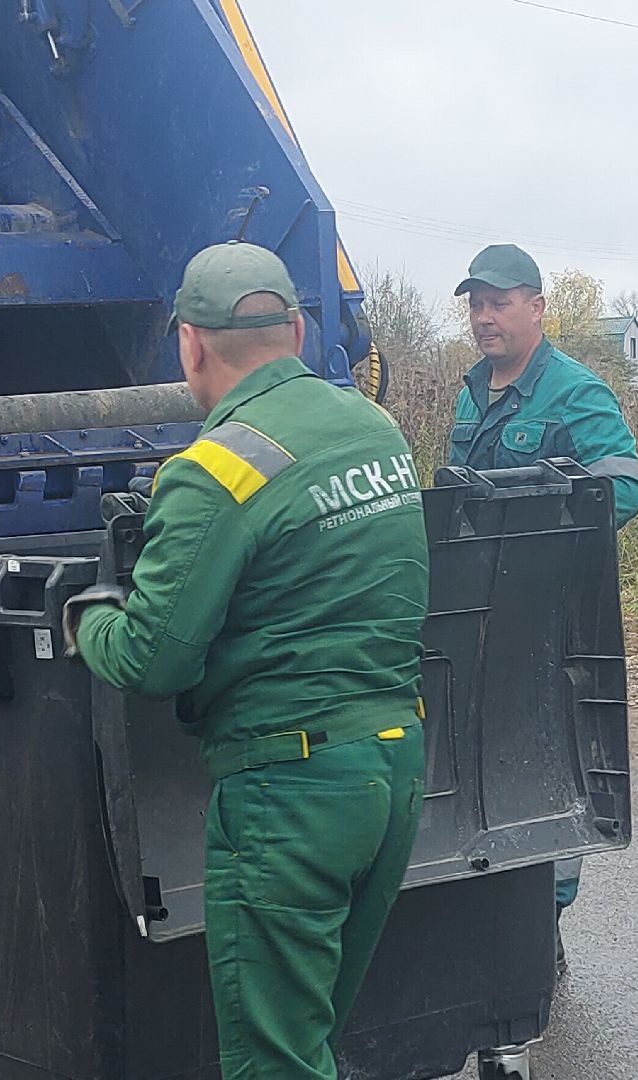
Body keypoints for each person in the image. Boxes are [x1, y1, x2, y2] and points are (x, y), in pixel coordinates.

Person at [65, 242, 430, 1079]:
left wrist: (87, 617)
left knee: (275, 1064)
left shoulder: (214, 468)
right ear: (298, 331)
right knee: (308, 1045)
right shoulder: (374, 429)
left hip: (288, 799)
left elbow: (155, 660)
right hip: (393, 768)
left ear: (189, 345)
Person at [447, 243, 638, 973]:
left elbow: (621, 489)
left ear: (537, 307)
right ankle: (490, 911)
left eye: (499, 303)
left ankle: (540, 929)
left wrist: (534, 534)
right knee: (476, 766)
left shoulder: (575, 392)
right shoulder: (473, 393)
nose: (485, 318)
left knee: (546, 768)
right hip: (474, 622)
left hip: (549, 621)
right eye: (476, 304)